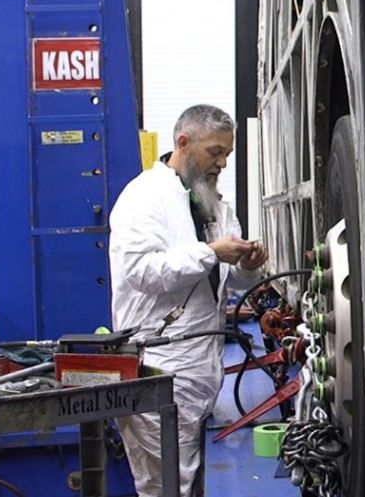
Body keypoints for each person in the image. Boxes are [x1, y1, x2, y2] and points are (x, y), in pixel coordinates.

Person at [108, 104, 267, 496]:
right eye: (215, 152)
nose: (223, 163)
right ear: (183, 142)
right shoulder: (144, 198)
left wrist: (249, 264)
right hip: (158, 370)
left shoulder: (211, 201)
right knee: (163, 486)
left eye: (227, 154)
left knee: (184, 481)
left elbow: (229, 279)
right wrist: (210, 252)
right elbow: (141, 271)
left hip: (196, 372)